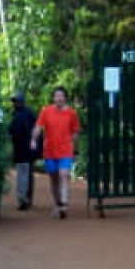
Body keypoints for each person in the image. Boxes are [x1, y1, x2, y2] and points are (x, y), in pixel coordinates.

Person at [30, 86, 81, 219]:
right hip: (50, 150)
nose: (59, 98)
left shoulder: (71, 113)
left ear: (65, 98)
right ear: (53, 98)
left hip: (65, 150)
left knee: (63, 175)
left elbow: (75, 131)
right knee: (54, 177)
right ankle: (58, 204)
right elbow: (38, 127)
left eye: (61, 96)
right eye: (56, 96)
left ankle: (64, 204)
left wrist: (74, 148)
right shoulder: (46, 111)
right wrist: (33, 139)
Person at [8, 93, 38, 210]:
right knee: (27, 174)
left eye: (16, 101)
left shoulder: (21, 115)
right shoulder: (27, 113)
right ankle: (27, 199)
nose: (15, 104)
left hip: (23, 149)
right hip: (28, 149)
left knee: (23, 174)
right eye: (14, 101)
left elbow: (15, 131)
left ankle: (23, 200)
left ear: (21, 102)